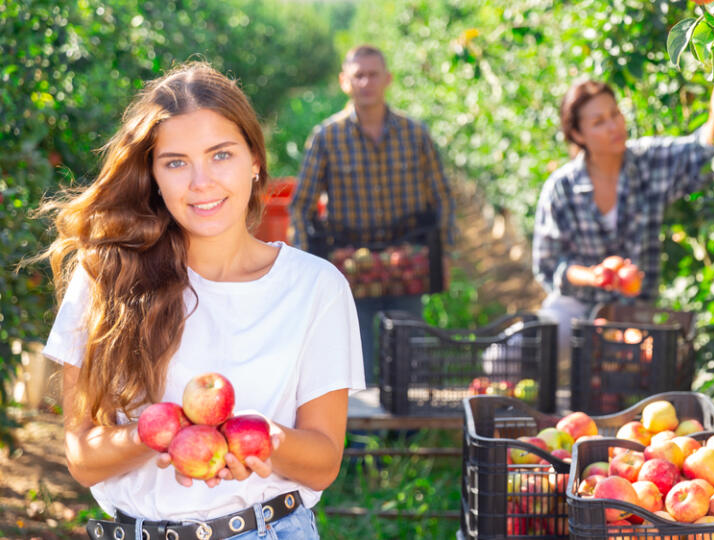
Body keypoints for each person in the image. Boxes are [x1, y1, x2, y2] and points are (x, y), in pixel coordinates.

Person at [39, 61, 364, 540]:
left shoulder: (316, 287)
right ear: (152, 174)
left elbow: (323, 463)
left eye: (221, 155)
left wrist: (265, 439)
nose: (201, 182)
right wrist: (152, 434)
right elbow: (83, 458)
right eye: (175, 162)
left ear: (254, 160)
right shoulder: (107, 275)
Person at [532, 76, 714, 369]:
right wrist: (594, 276)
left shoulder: (647, 162)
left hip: (634, 312)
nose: (614, 126)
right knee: (524, 352)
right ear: (578, 135)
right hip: (578, 305)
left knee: (648, 369)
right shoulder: (561, 188)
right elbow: (549, 265)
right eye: (599, 122)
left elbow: (697, 156)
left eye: (615, 114)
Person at [290, 44, 454, 386]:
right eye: (358, 75)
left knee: (410, 348)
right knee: (355, 353)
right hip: (352, 262)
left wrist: (445, 254)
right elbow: (301, 206)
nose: (366, 82)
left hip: (406, 258)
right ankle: (364, 433)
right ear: (344, 82)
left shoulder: (414, 133)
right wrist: (310, 267)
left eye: (373, 74)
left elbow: (441, 196)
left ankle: (408, 430)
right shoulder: (327, 137)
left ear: (388, 79)